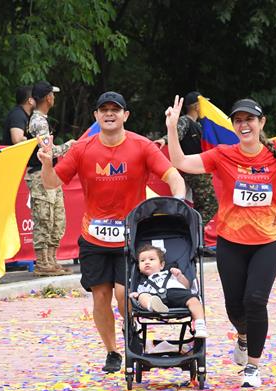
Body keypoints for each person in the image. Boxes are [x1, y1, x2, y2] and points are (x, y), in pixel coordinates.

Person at [165, 95, 276, 388]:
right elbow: (180, 162)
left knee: (255, 301)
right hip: (231, 242)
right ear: (233, 125)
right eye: (238, 120)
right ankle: (243, 336)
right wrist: (172, 127)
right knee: (235, 307)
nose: (244, 125)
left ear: (261, 122)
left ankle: (253, 366)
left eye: (249, 119)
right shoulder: (222, 154)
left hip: (267, 241)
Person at [38, 91, 186, 373]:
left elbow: (173, 176)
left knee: (123, 294)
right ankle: (112, 352)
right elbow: (51, 183)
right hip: (93, 237)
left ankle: (132, 336)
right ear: (96, 116)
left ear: (125, 116)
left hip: (130, 237)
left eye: (115, 110)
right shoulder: (82, 149)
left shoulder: (142, 146)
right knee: (101, 296)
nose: (109, 114)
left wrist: (177, 201)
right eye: (103, 109)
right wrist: (47, 164)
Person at [26, 80, 75, 276]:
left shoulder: (41, 120)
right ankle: (42, 262)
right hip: (40, 174)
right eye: (52, 95)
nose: (53, 98)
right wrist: (69, 146)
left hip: (49, 174)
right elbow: (49, 152)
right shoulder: (38, 122)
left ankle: (51, 260)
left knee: (57, 219)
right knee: (44, 218)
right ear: (48, 97)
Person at [155, 91, 218, 227]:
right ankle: (195, 230)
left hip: (199, 169)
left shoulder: (199, 125)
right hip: (193, 171)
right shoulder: (185, 121)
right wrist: (164, 139)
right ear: (196, 106)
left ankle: (195, 229)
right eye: (203, 104)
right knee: (209, 204)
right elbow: (175, 133)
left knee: (203, 204)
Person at [130, 244, 207, 337]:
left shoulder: (170, 273)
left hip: (176, 292)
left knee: (194, 300)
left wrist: (179, 276)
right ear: (139, 267)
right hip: (155, 297)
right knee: (142, 296)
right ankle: (152, 305)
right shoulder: (142, 283)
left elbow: (186, 286)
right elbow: (139, 296)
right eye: (142, 261)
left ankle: (200, 325)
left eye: (151, 259)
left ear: (162, 265)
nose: (147, 262)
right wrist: (137, 295)